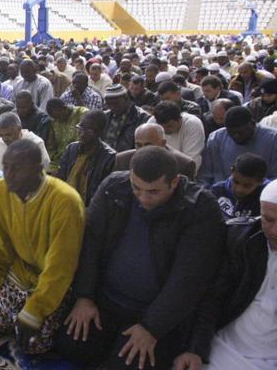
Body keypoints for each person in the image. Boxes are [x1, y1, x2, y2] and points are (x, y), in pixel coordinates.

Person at [57, 146, 225, 370]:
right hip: (105, 301)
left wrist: (151, 328)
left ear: (174, 183)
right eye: (136, 188)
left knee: (127, 363)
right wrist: (84, 296)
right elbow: (90, 244)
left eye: (153, 191)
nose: (143, 198)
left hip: (154, 314)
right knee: (69, 344)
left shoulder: (200, 209)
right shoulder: (114, 186)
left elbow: (187, 280)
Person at [0, 139, 85, 354]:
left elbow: (61, 265)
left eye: (16, 168)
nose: (8, 174)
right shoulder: (1, 189)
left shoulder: (66, 201)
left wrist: (35, 310)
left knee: (34, 345)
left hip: (50, 281)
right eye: (5, 167)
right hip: (17, 272)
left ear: (38, 169)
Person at [175, 183, 277, 370]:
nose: (275, 231)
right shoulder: (239, 238)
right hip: (222, 347)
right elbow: (212, 297)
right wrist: (195, 349)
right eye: (268, 220)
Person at [199, 106, 277, 186]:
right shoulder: (216, 139)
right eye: (232, 133)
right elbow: (205, 176)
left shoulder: (273, 138)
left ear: (253, 123)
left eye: (241, 132)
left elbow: (275, 179)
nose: (236, 136)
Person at [56, 110, 116, 207]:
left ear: (100, 133)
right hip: (65, 202)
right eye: (81, 128)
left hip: (89, 207)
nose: (82, 134)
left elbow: (101, 194)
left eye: (89, 131)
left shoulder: (108, 157)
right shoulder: (71, 149)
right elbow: (61, 178)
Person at [114, 123, 198, 179]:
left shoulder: (183, 164)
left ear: (162, 143)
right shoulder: (122, 161)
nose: (143, 150)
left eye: (148, 145)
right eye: (138, 145)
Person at [211, 153, 270, 221]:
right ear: (232, 172)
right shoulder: (217, 191)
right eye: (236, 182)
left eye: (247, 186)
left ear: (260, 182)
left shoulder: (266, 200)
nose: (239, 189)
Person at [153, 101, 205, 168]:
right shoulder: (152, 124)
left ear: (179, 119)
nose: (165, 130)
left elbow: (192, 162)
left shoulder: (192, 124)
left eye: (169, 126)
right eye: (161, 126)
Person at [101, 84, 150, 153]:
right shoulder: (105, 116)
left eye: (116, 103)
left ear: (126, 98)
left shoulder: (142, 118)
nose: (112, 107)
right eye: (109, 104)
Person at [46, 98, 86, 174]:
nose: (57, 120)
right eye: (55, 118)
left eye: (58, 116)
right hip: (58, 160)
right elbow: (51, 146)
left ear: (65, 108)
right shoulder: (54, 121)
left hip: (78, 159)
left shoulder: (82, 114)